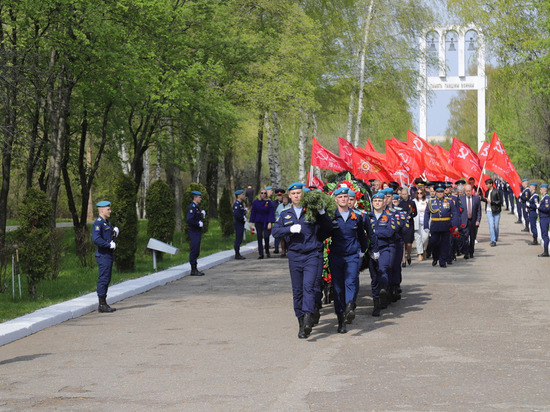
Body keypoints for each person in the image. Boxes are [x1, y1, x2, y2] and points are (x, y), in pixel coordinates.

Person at [272, 182, 332, 339]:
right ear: (289, 196)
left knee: (309, 287)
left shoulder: (311, 212)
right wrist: (289, 229)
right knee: (297, 290)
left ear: (303, 195)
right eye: (294, 194)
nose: (297, 196)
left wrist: (322, 212)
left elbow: (328, 227)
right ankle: (300, 322)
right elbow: (275, 232)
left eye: (299, 193)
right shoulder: (285, 214)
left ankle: (307, 318)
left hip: (312, 254)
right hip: (294, 255)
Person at [327, 187, 375, 333]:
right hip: (336, 256)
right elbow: (322, 233)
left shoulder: (357, 216)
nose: (343, 199)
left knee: (351, 280)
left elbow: (362, 234)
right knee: (337, 288)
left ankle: (350, 305)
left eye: (346, 197)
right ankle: (341, 320)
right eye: (340, 197)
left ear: (350, 200)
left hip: (352, 256)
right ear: (335, 199)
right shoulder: (331, 216)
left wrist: (362, 250)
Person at [366, 192, 395, 316]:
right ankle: (376, 304)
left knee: (383, 269)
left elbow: (389, 232)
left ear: (384, 202)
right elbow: (364, 233)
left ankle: (384, 289)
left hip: (384, 248)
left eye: (380, 201)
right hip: (371, 251)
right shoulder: (367, 217)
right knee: (374, 278)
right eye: (375, 201)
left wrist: (373, 233)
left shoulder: (389, 216)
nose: (377, 203)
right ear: (372, 203)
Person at [424, 182, 460, 267]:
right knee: (434, 243)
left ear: (443, 192)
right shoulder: (431, 202)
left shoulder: (449, 201)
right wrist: (426, 226)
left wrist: (455, 225)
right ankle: (435, 257)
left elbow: (454, 213)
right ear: (436, 192)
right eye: (438, 192)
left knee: (445, 244)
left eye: (441, 192)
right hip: (435, 226)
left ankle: (442, 261)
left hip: (446, 225)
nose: (440, 193)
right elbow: (426, 214)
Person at [92, 200, 119, 313]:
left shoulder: (106, 223)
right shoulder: (98, 223)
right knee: (103, 279)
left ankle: (103, 303)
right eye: (108, 209)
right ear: (102, 210)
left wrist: (114, 233)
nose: (110, 211)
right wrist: (109, 245)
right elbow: (96, 239)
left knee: (107, 278)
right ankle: (102, 304)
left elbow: (107, 236)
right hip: (103, 254)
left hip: (108, 254)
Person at [249, 188, 275, 259]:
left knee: (266, 236)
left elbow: (271, 213)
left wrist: (270, 222)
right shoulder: (256, 202)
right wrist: (251, 222)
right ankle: (261, 253)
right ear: (259, 194)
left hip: (266, 221)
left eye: (265, 193)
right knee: (259, 237)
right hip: (258, 221)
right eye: (262, 193)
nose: (263, 195)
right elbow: (253, 212)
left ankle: (267, 250)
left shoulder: (269, 202)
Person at [459, 184, 482, 259]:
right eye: (466, 191)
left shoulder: (476, 199)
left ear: (471, 190)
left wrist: (478, 220)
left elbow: (479, 211)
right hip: (464, 221)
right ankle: (466, 253)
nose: (468, 192)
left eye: (469, 191)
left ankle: (471, 252)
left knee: (472, 238)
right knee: (465, 238)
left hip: (473, 221)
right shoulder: (460, 199)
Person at [186, 190, 205, 276]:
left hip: (197, 231)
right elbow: (189, 219)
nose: (200, 198)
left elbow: (196, 217)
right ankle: (193, 269)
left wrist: (202, 215)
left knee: (197, 249)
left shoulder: (196, 207)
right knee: (194, 249)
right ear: (195, 197)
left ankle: (195, 268)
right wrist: (198, 223)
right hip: (194, 231)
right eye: (199, 197)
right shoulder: (192, 207)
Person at [481, 178, 502, 247]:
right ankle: (493, 240)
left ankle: (495, 238)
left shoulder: (496, 191)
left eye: (487, 184)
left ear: (491, 184)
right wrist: (481, 198)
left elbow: (500, 202)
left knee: (496, 226)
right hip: (489, 211)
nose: (486, 186)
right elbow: (486, 200)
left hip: (496, 211)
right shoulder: (487, 192)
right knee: (491, 226)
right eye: (486, 184)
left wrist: (492, 202)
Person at [398, 187, 417, 266]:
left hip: (410, 224)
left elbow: (415, 213)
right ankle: (403, 260)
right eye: (403, 194)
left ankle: (409, 256)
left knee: (409, 244)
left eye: (405, 194)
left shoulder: (412, 203)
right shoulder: (400, 204)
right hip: (402, 225)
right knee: (403, 243)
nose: (404, 196)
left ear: (408, 194)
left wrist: (411, 216)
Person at [413, 187, 429, 261]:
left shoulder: (427, 201)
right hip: (417, 222)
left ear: (424, 193)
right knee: (418, 238)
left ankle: (424, 249)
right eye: (418, 193)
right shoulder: (414, 201)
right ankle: (420, 253)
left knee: (425, 238)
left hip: (426, 222)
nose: (419, 194)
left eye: (421, 193)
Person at [233, 189, 247, 260]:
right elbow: (236, 214)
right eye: (242, 194)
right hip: (238, 223)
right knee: (238, 239)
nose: (243, 195)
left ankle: (238, 253)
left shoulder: (241, 204)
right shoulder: (236, 204)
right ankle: (237, 254)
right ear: (238, 196)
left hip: (241, 223)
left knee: (240, 238)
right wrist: (242, 218)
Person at [537, 184, 550, 257]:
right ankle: (545, 251)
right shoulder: (543, 198)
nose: (540, 190)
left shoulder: (547, 198)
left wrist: (539, 207)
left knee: (545, 234)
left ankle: (546, 252)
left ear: (544, 189)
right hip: (542, 217)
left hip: (545, 218)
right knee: (543, 234)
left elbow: (547, 208)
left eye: (541, 189)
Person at [272, 189, 286, 253]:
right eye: (278, 195)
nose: (279, 197)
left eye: (281, 195)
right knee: (277, 235)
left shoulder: (288, 202)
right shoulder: (274, 203)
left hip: (285, 221)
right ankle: (276, 248)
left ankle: (285, 249)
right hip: (277, 220)